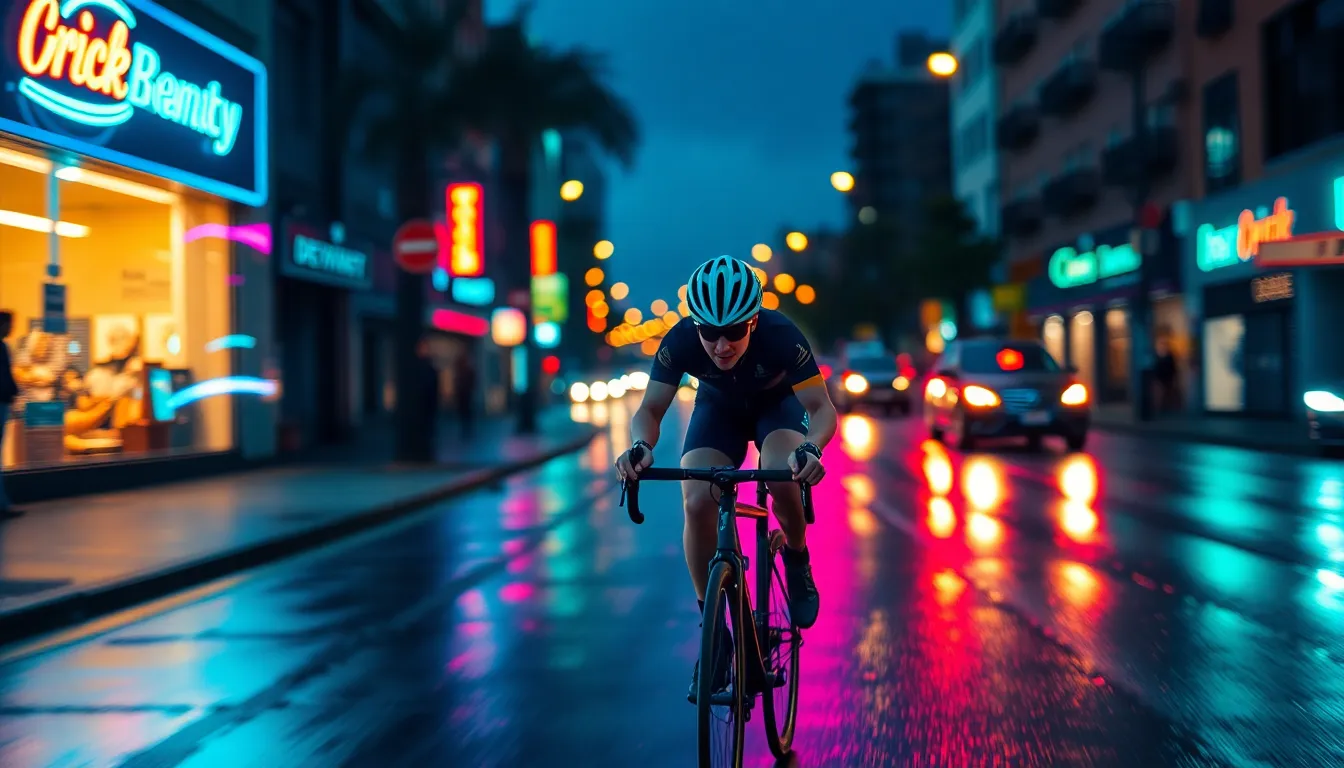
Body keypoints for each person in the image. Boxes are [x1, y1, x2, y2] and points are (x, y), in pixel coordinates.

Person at [613, 255, 837, 703]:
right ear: (694, 324)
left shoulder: (781, 335)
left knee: (781, 476)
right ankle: (714, 630)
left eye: (734, 331)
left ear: (753, 322)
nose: (720, 345)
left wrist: (811, 448)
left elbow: (821, 409)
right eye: (709, 332)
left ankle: (796, 554)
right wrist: (640, 446)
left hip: (777, 410)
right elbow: (650, 411)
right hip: (719, 412)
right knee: (697, 500)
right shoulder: (679, 341)